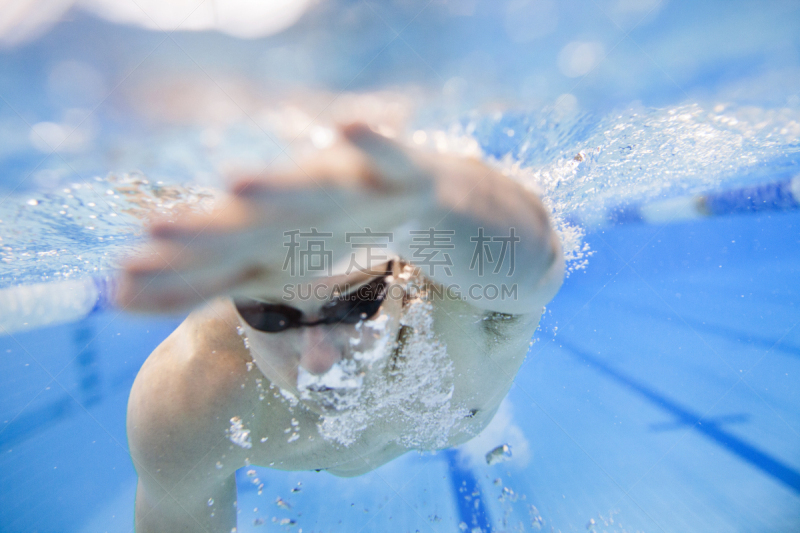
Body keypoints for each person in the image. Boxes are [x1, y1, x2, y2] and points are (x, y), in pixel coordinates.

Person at [121, 124, 564, 532]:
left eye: (354, 303)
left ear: (402, 274)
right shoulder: (190, 402)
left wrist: (422, 200)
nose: (318, 359)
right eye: (271, 316)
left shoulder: (453, 305)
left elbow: (532, 265)